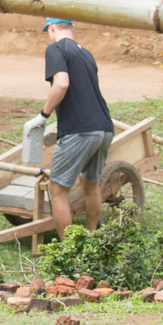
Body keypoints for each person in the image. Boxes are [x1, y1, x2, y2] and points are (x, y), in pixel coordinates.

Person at [40, 18, 113, 230]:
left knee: (57, 189)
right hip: (104, 127)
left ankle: (69, 255)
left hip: (80, 130)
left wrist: (43, 115)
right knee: (91, 185)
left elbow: (61, 84)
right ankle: (90, 241)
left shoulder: (55, 49)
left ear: (51, 28)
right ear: (73, 26)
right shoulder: (86, 54)